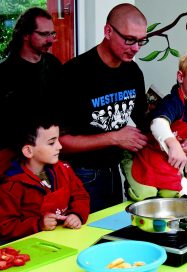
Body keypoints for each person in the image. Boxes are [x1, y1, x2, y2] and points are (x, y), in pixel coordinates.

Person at [59, 4, 148, 212]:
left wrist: (170, 139)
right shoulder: (73, 74)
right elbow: (60, 143)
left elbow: (144, 122)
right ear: (108, 31)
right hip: (80, 175)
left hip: (114, 171)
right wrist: (114, 137)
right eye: (129, 39)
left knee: (112, 232)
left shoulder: (133, 72)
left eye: (141, 40)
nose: (135, 48)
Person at [121, 49, 187, 201]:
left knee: (171, 195)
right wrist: (173, 144)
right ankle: (127, 160)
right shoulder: (173, 102)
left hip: (164, 157)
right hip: (145, 152)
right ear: (180, 77)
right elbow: (157, 123)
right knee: (145, 195)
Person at [0, 117, 90, 244]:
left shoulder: (63, 169)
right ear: (28, 151)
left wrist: (77, 215)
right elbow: (5, 227)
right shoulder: (12, 185)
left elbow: (81, 196)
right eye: (51, 142)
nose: (60, 146)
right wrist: (38, 224)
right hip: (33, 248)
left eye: (58, 140)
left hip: (68, 240)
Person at [0, 7, 62, 174]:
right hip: (17, 161)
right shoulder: (5, 73)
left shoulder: (53, 64)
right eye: (44, 34)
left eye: (52, 34)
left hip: (51, 154)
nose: (50, 40)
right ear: (26, 35)